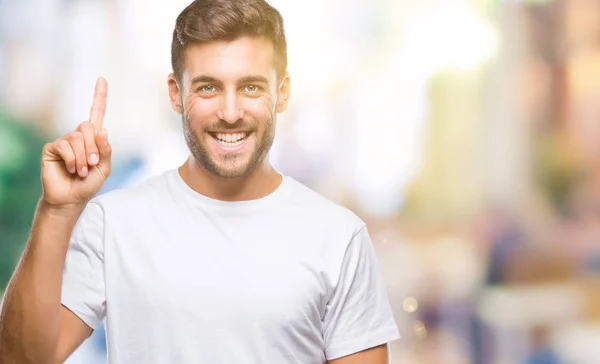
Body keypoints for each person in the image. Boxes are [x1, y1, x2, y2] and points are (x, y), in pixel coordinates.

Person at [0, 0, 400, 363]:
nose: (230, 112)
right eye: (208, 87)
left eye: (250, 87)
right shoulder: (114, 223)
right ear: (176, 94)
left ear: (282, 93)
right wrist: (57, 210)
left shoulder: (338, 237)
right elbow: (21, 360)